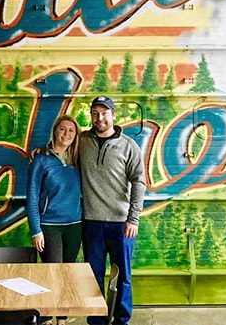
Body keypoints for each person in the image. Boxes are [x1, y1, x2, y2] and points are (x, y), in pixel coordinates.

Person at [81, 96, 145, 325]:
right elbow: (61, 151)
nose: (100, 118)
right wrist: (41, 152)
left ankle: (121, 320)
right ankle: (96, 320)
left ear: (113, 115)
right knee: (93, 277)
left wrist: (133, 218)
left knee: (124, 278)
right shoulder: (82, 142)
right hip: (92, 222)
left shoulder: (128, 145)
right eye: (95, 113)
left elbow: (139, 181)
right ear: (91, 116)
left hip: (121, 224)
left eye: (104, 113)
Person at [26, 114, 83, 325]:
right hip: (49, 226)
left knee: (67, 272)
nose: (66, 134)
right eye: (62, 129)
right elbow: (32, 196)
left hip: (74, 225)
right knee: (52, 272)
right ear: (55, 131)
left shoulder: (78, 158)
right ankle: (47, 317)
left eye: (71, 130)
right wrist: (35, 230)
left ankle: (62, 318)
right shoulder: (41, 159)